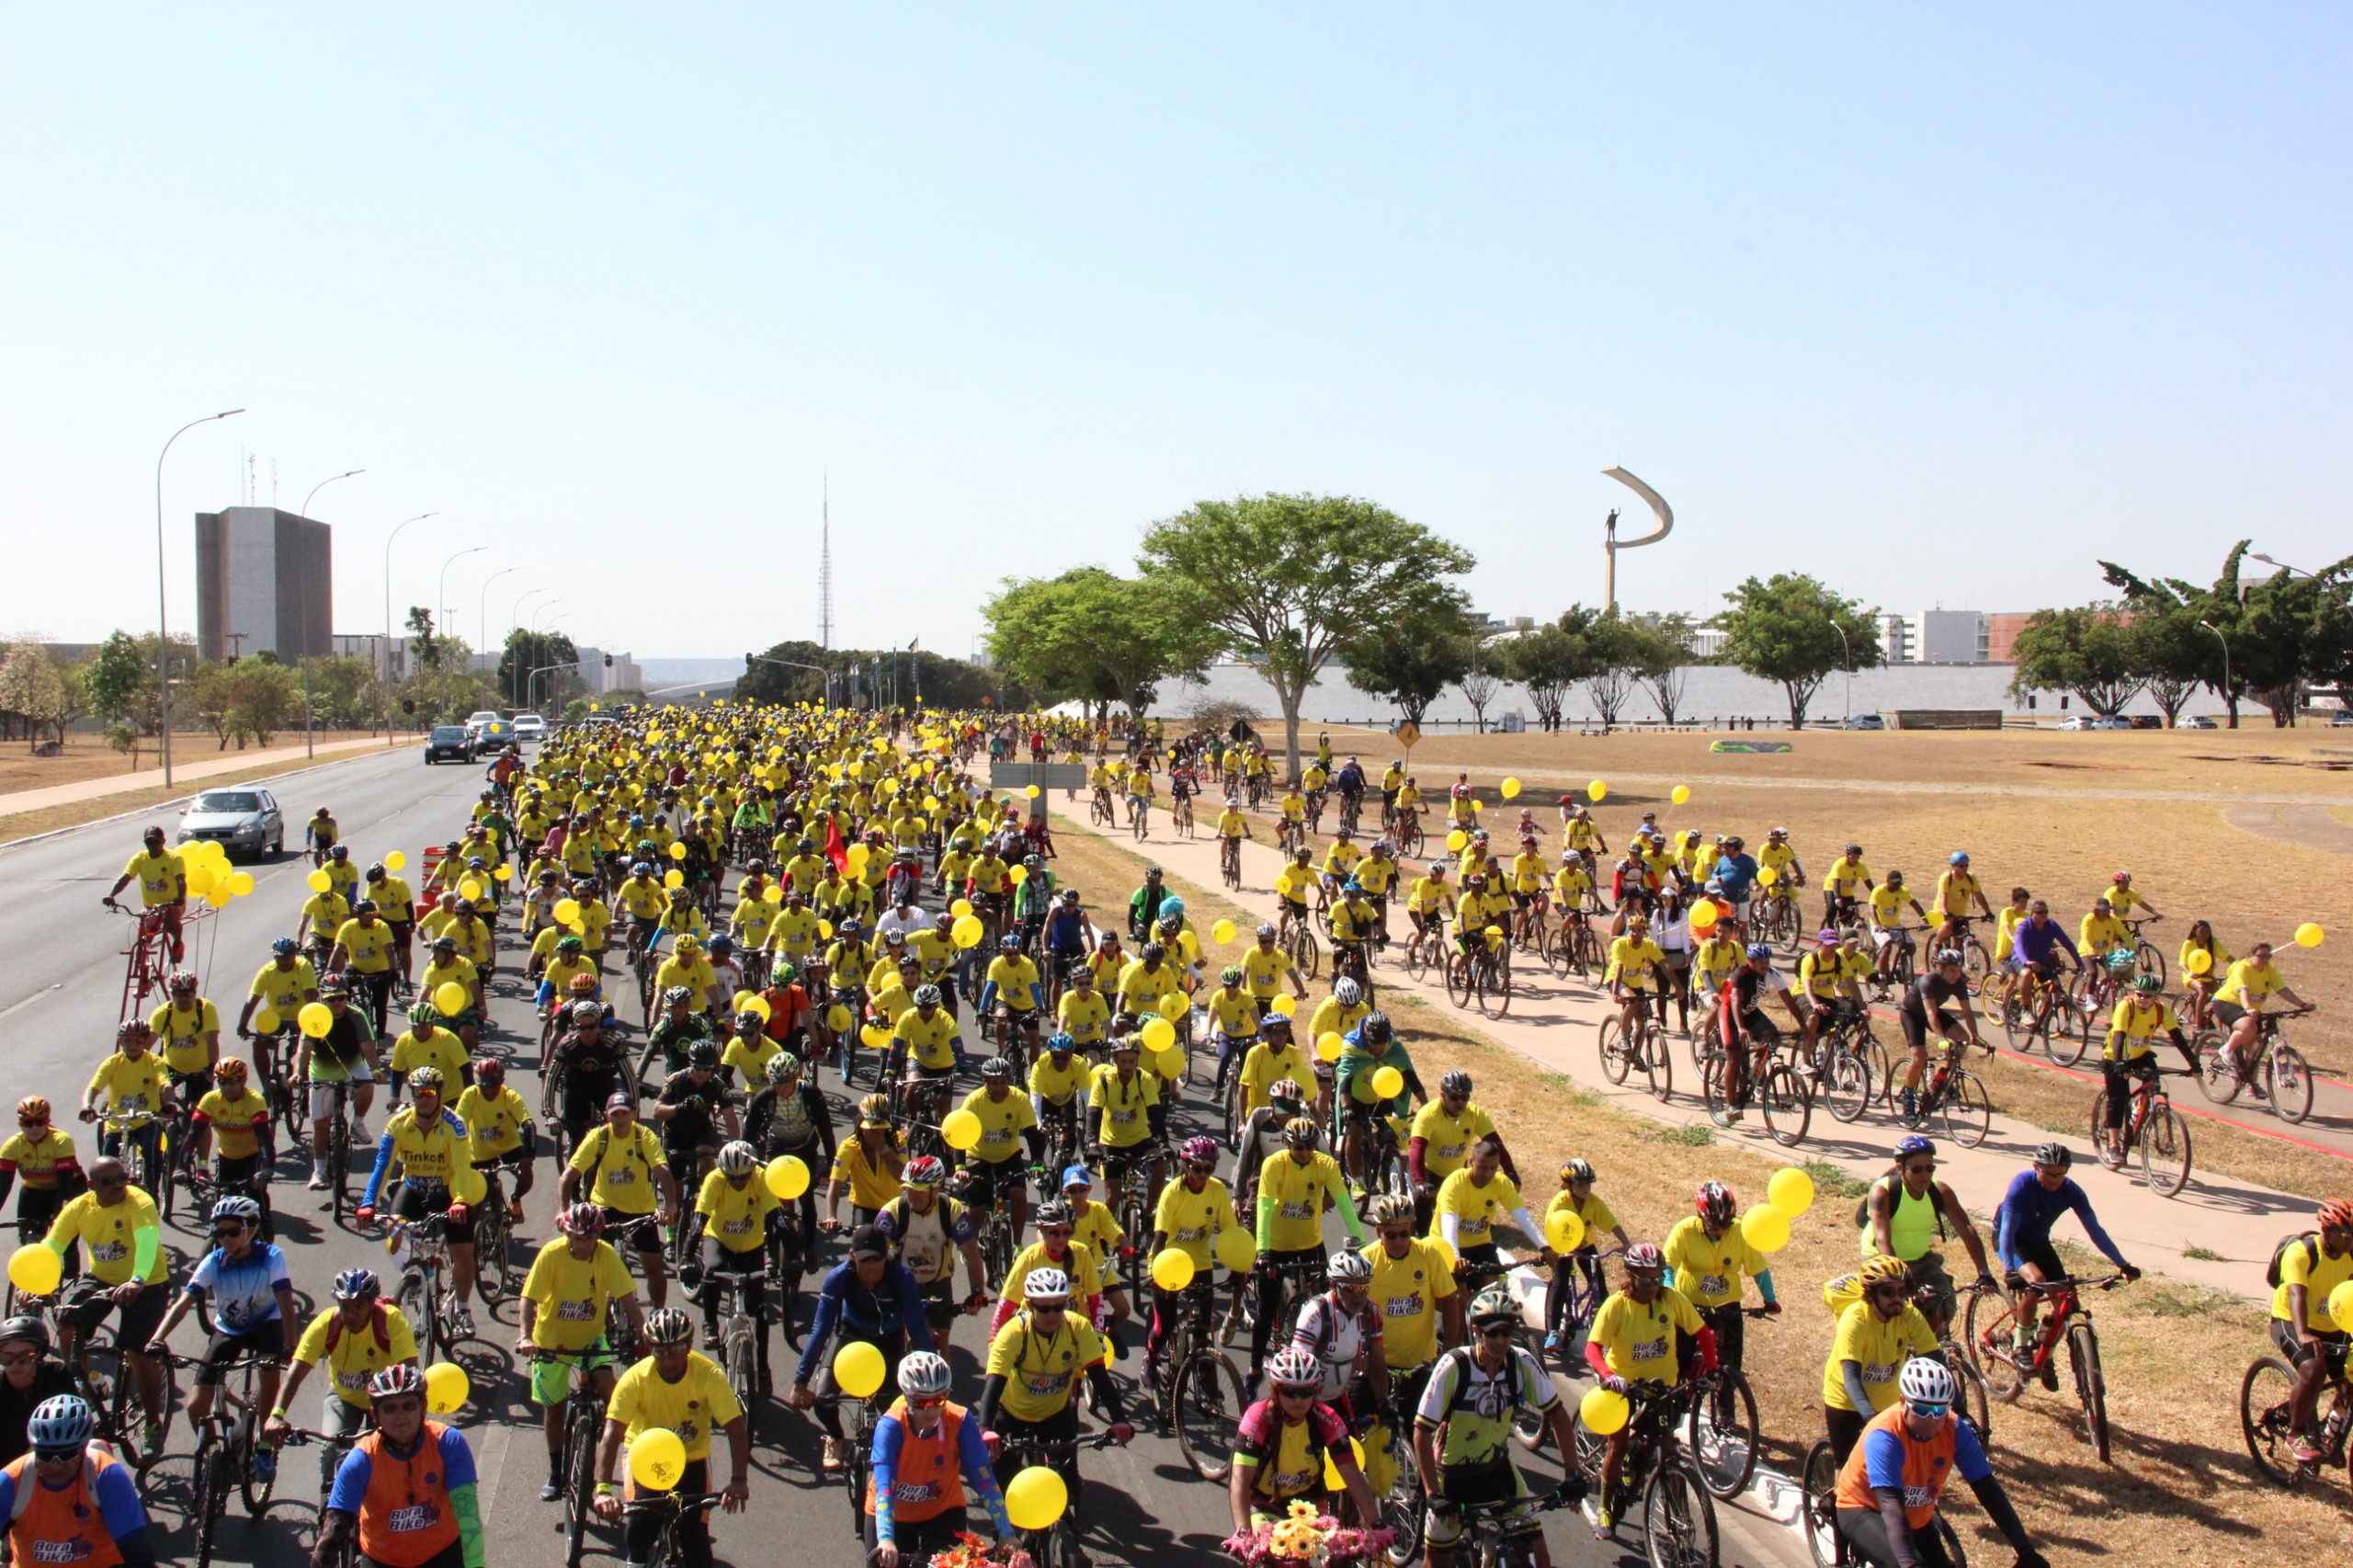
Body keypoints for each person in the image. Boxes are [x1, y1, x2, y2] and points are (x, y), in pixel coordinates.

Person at [1412, 1286, 1579, 1566]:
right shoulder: (1454, 1366)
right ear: (1477, 1332)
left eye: (1507, 1332)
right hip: (1451, 1477)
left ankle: (1492, 1552)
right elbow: (1422, 1431)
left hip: (1498, 1471)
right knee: (1437, 1560)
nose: (1501, 1340)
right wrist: (1432, 1494)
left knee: (1540, 1558)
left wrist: (1573, 1473)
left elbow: (1559, 1416)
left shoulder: (1521, 1363)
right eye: (1493, 1333)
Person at [1834, 1358, 2049, 1568]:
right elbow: (1892, 1508)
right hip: (1864, 1506)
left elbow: (1988, 1489)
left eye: (1938, 1411)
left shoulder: (1955, 1429)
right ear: (1903, 1403)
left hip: (1915, 1514)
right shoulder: (1885, 1436)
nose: (1931, 1418)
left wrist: (2026, 1552)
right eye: (1921, 1410)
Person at [974, 1267, 1132, 1552]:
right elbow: (993, 1384)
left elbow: (1100, 1377)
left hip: (1055, 1414)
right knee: (1004, 1489)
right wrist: (985, 1429)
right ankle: (1004, 1544)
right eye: (1044, 1308)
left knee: (1067, 1483)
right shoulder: (1013, 1333)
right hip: (1011, 1414)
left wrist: (1119, 1419)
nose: (1051, 1315)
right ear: (1030, 1304)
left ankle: (1067, 1532)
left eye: (1058, 1307)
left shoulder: (1078, 1328)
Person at [143, 1195, 297, 1478]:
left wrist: (290, 1344)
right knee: (195, 1406)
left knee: (269, 1372)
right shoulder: (214, 1261)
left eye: (233, 1232)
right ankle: (218, 1454)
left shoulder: (271, 1256)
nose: (225, 1239)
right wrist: (157, 1338)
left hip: (266, 1324)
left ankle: (264, 1446)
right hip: (228, 1330)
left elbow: (285, 1301)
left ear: (251, 1228)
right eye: (219, 1233)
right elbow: (183, 1303)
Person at [591, 1309, 750, 1568]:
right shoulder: (635, 1379)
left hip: (691, 1459)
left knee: (696, 1544)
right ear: (650, 1349)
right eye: (660, 1350)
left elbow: (735, 1427)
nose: (668, 1358)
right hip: (645, 1460)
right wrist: (603, 1491)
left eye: (675, 1349)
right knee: (640, 1529)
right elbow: (611, 1435)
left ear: (688, 1345)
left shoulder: (708, 1375)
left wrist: (739, 1480)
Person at [41, 1156, 169, 1452]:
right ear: (92, 1185)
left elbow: (147, 1241)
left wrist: (137, 1279)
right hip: (101, 1278)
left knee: (138, 1355)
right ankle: (85, 1391)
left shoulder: (139, 1202)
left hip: (146, 1282)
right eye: (109, 1182)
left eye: (123, 1177)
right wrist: (31, 1282)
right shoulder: (80, 1207)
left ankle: (153, 1424)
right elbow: (51, 1246)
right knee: (66, 1325)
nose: (119, 1185)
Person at [517, 1204, 644, 1502]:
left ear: (598, 1236)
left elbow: (627, 1299)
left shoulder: (606, 1256)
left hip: (591, 1339)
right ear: (568, 1235)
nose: (585, 1245)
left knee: (610, 1390)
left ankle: (615, 1452)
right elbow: (528, 1299)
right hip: (552, 1342)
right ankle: (555, 1473)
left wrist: (645, 1335)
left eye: (590, 1239)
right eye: (578, 1238)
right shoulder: (551, 1255)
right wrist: (524, 1336)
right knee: (554, 1408)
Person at [1582, 1244, 1711, 1532]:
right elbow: (1592, 1348)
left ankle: (1679, 1516)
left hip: (1662, 1386)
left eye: (1658, 1278)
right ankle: (1604, 1507)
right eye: (1646, 1280)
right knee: (1617, 1445)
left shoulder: (1671, 1298)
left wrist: (1712, 1369)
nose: (1653, 1286)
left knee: (1667, 1445)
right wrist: (1608, 1375)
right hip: (1623, 1388)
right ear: (1631, 1275)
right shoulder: (1617, 1305)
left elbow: (1702, 1332)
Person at [791, 1225, 936, 1471]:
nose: (872, 1266)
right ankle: (836, 1437)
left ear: (886, 1255)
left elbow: (917, 1330)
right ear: (852, 1256)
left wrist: (932, 1382)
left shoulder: (901, 1277)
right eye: (865, 1260)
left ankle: (889, 1443)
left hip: (889, 1338)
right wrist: (800, 1381)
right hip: (851, 1335)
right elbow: (821, 1329)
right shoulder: (838, 1278)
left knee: (895, 1407)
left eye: (877, 1259)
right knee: (823, 1399)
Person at [1991, 1143, 2139, 1384]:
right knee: (2035, 1281)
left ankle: (2044, 1351)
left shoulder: (2072, 1191)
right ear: (2036, 1167)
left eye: (2061, 1174)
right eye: (2050, 1174)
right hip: (2011, 1240)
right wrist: (2009, 1269)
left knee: (2067, 1301)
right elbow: (2007, 1230)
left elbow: (2095, 1231)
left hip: (2038, 1242)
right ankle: (2020, 1346)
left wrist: (2122, 1263)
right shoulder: (2022, 1184)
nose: (2056, 1180)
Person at [314, 1364, 487, 1568]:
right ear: (375, 1415)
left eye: (409, 1406)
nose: (400, 1415)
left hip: (442, 1553)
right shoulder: (362, 1460)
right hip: (383, 1560)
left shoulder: (448, 1443)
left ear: (423, 1408)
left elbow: (468, 1518)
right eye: (390, 1408)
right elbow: (333, 1531)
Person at [266, 1268, 421, 1493]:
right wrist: (276, 1414)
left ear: (372, 1304)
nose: (351, 1315)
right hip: (344, 1398)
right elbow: (295, 1373)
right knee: (330, 1450)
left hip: (386, 1401)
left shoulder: (391, 1321)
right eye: (345, 1307)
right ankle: (329, 1503)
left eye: (359, 1307)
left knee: (392, 1456)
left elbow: (410, 1376)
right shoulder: (326, 1324)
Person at [356, 1067, 483, 1335]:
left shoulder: (455, 1125)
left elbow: (462, 1168)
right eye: (418, 1093)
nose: (424, 1099)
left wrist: (460, 1201)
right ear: (411, 1094)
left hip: (449, 1194)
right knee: (393, 1231)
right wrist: (368, 1203)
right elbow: (382, 1167)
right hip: (414, 1189)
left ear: (439, 1094)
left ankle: (462, 1309)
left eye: (429, 1093)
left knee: (462, 1252)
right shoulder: (398, 1125)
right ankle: (414, 1275)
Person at [866, 1351, 1021, 1568]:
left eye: (938, 1399)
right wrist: (885, 1539)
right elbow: (885, 1487)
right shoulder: (891, 1426)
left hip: (943, 1512)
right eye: (921, 1402)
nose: (931, 1409)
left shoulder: (960, 1420)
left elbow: (984, 1479)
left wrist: (1006, 1533)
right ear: (907, 1396)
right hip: (894, 1515)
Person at [1251, 1116, 1363, 1381]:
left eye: (1309, 1147)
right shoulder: (1274, 1164)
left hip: (1310, 1244)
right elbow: (1264, 1207)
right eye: (1298, 1147)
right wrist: (1263, 1251)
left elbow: (1344, 1202)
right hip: (1276, 1246)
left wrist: (1362, 1242)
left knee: (1327, 1305)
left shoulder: (1325, 1165)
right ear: (1286, 1144)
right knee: (1267, 1309)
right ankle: (1254, 1370)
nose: (1304, 1153)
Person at [1228, 1346, 1380, 1533]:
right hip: (1264, 1500)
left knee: (1319, 1546)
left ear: (1316, 1391)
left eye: (1306, 1392)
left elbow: (1353, 1474)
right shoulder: (1257, 1418)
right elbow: (1241, 1480)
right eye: (1289, 1392)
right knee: (1266, 1543)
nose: (1298, 1400)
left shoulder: (1327, 1419)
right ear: (1275, 1391)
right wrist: (1242, 1532)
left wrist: (1376, 1524)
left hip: (1309, 1499)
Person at [1859, 1135, 1997, 1336]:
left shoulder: (1940, 1191)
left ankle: (1925, 1346)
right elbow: (1882, 1239)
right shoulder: (1883, 1192)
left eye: (1930, 1168)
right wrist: (1901, 1281)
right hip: (1882, 1258)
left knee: (1944, 1306)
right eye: (1917, 1170)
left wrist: (1984, 1272)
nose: (1924, 1175)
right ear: (1900, 1168)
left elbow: (1966, 1230)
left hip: (1920, 1259)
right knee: (1890, 1312)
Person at [1, 1394, 156, 1568]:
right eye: (45, 1455)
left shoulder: (107, 1475)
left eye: (66, 1454)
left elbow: (137, 1552)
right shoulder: (10, 1482)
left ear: (84, 1448)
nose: (56, 1464)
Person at [559, 1092, 680, 1309]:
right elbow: (567, 1177)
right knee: (590, 1264)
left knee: (654, 1269)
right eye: (615, 1114)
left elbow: (663, 1172)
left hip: (640, 1211)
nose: (620, 1119)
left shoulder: (644, 1137)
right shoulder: (599, 1137)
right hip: (604, 1209)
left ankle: (657, 1313)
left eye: (625, 1113)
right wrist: (563, 1210)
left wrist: (670, 1205)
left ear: (635, 1114)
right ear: (607, 1116)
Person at [1821, 1255, 1938, 1466]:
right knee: (1847, 1470)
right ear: (1871, 1294)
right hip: (1846, 1401)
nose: (1897, 1298)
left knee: (1895, 1465)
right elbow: (1851, 1378)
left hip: (1888, 1402)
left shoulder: (1908, 1315)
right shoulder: (1855, 1319)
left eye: (1902, 1292)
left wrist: (1960, 1412)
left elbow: (1936, 1363)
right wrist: (1870, 1417)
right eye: (1888, 1292)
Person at [1662, 1182, 1779, 1392]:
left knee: (1731, 1365)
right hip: (1690, 1305)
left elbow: (1758, 1269)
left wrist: (1770, 1299)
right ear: (1700, 1217)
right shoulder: (1685, 1230)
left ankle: (1726, 1407)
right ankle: (1677, 1398)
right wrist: (1670, 1294)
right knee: (1680, 1361)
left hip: (1727, 1305)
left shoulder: (1741, 1232)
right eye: (1714, 1225)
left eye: (1726, 1225)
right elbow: (1667, 1266)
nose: (1721, 1231)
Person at [2269, 1199, 2353, 1464]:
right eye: (2345, 1235)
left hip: (2332, 1324)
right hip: (2291, 1320)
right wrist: (2303, 1334)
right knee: (2314, 1370)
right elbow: (2297, 1294)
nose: (2350, 1241)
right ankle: (2297, 1433)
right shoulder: (2301, 1253)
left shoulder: (2351, 1254)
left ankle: (2329, 1433)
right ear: (2326, 1230)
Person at [871, 1157, 988, 1338]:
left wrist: (977, 1292)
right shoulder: (892, 1211)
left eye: (920, 1191)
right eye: (909, 1189)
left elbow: (972, 1254)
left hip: (938, 1284)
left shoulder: (951, 1210)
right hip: (902, 1283)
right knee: (895, 1338)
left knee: (941, 1339)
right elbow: (877, 1255)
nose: (913, 1195)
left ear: (936, 1189)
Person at [1896, 949, 1984, 1119]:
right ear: (1941, 968)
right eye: (1952, 970)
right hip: (1912, 1014)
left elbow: (1967, 1011)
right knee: (1919, 1057)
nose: (1956, 974)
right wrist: (1942, 1038)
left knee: (1963, 1039)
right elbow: (1931, 1014)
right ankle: (1908, 1095)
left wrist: (1975, 1035)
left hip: (1932, 1012)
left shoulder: (1959, 983)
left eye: (1959, 970)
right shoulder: (1928, 981)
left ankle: (1942, 1082)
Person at [0, 1096, 83, 1267]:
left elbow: (65, 1184)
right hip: (34, 1189)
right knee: (28, 1241)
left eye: (39, 1122)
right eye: (28, 1123)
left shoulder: (61, 1141)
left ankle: (71, 1267)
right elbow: (3, 1185)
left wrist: (59, 1215)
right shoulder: (12, 1145)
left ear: (48, 1121)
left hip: (67, 1186)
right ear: (20, 1124)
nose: (34, 1128)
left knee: (65, 1237)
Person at [0, 1317, 78, 1469]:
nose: (15, 1364)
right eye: (7, 1358)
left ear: (39, 1354)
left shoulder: (57, 1377)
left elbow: (77, 1426)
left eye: (24, 1357)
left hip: (56, 1464)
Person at [103, 825, 187, 964]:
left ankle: (178, 943)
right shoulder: (139, 859)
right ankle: (142, 966)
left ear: (163, 842)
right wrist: (111, 895)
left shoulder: (174, 858)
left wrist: (180, 897)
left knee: (169, 919)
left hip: (172, 904)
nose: (153, 846)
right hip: (151, 907)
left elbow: (180, 880)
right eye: (149, 842)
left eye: (156, 842)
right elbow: (125, 879)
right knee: (142, 937)